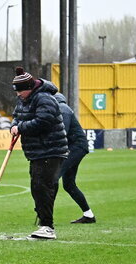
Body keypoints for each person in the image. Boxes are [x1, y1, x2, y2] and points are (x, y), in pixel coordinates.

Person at [10, 67, 68, 241]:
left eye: (20, 90)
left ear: (29, 87)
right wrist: (14, 125)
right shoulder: (24, 99)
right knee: (39, 187)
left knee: (42, 187)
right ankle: (44, 223)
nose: (18, 94)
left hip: (50, 150)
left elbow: (44, 121)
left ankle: (47, 227)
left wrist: (20, 127)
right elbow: (17, 116)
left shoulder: (44, 98)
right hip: (37, 151)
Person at [53, 92, 97, 224]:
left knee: (54, 178)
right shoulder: (61, 109)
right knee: (69, 184)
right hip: (75, 148)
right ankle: (89, 215)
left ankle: (46, 214)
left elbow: (63, 132)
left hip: (76, 148)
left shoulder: (63, 109)